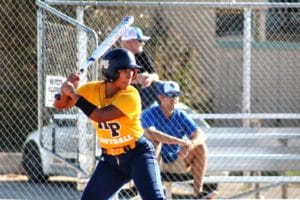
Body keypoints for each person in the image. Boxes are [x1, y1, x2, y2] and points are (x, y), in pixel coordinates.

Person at [54, 48, 165, 200]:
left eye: (133, 71)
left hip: (138, 155)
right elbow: (61, 104)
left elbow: (101, 116)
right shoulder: (92, 89)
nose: (131, 75)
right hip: (110, 160)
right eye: (126, 71)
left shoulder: (131, 95)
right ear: (112, 72)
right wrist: (64, 90)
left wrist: (73, 94)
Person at [141, 80, 218, 199]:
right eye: (170, 95)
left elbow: (201, 135)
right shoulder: (149, 113)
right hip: (154, 162)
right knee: (155, 142)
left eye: (177, 94)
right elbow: (151, 133)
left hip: (177, 160)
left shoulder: (181, 115)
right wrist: (179, 142)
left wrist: (189, 145)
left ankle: (198, 194)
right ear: (160, 97)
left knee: (201, 146)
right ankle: (155, 190)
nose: (174, 98)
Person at [121, 26, 159, 110]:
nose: (143, 43)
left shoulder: (142, 55)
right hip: (122, 97)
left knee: (159, 86)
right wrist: (137, 79)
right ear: (129, 42)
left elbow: (156, 75)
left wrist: (150, 78)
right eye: (140, 40)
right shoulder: (118, 56)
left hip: (141, 98)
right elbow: (115, 79)